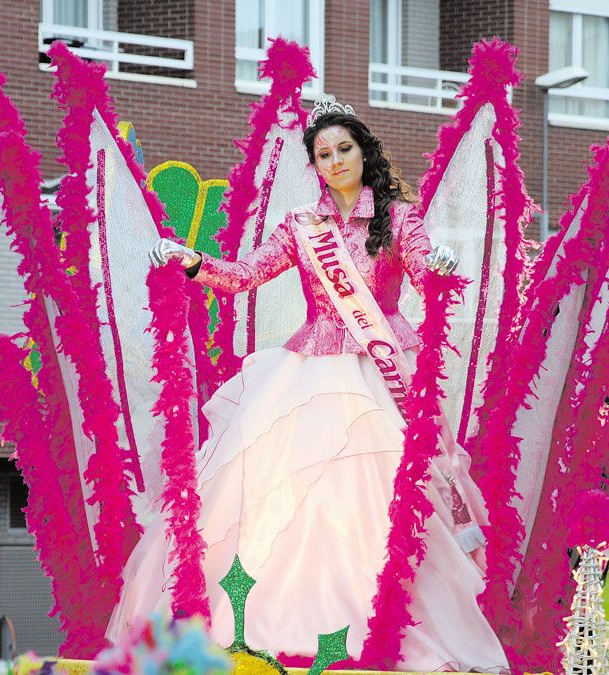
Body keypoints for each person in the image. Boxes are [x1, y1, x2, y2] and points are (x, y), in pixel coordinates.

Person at [108, 98, 510, 672]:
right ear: (315, 165)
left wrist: (440, 264)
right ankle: (268, 629)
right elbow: (245, 276)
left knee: (387, 502)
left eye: (344, 148)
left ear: (363, 152)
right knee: (278, 500)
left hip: (379, 370)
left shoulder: (398, 219)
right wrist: (190, 259)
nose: (335, 160)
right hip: (308, 369)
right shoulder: (301, 225)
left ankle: (383, 627)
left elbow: (421, 272)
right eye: (323, 154)